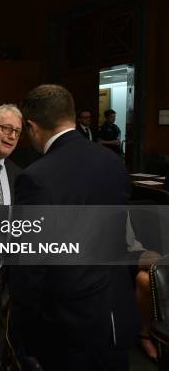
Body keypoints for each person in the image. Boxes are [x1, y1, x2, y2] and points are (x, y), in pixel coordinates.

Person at [9, 85, 139, 371]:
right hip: (115, 311)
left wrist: (19, 326)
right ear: (70, 115)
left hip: (68, 323)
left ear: (31, 126)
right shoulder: (113, 163)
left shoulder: (36, 177)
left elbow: (32, 264)